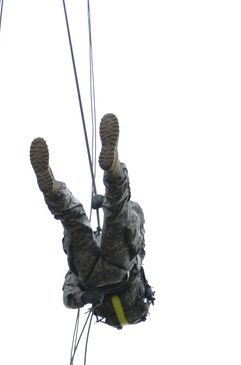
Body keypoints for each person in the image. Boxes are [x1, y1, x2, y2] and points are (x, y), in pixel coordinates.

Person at [29, 113, 153, 329]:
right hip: (95, 275)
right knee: (74, 221)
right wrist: (85, 298)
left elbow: (134, 228)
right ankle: (54, 190)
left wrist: (85, 298)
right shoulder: (134, 272)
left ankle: (109, 171)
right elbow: (69, 295)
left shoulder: (136, 253)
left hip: (111, 269)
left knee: (114, 212)